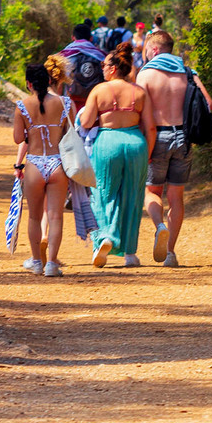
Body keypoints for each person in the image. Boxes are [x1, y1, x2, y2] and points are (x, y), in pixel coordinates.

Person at [75, 40, 157, 267]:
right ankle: (130, 254)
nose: (101, 69)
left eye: (103, 66)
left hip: (107, 142)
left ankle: (106, 237)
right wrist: (147, 153)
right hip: (135, 144)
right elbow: (150, 127)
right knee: (133, 196)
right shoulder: (139, 92)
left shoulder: (99, 90)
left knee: (102, 193)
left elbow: (86, 122)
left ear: (112, 69)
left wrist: (82, 116)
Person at [141, 32, 212, 267]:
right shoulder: (188, 72)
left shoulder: (147, 74)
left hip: (158, 136)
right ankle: (170, 252)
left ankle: (159, 227)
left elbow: (140, 112)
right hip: (184, 137)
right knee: (176, 196)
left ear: (153, 50)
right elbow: (208, 104)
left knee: (151, 191)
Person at [13, 54, 70, 276]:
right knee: (56, 215)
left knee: (35, 216)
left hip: (35, 163)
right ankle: (52, 264)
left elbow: (19, 138)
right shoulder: (65, 103)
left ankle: (36, 261)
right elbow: (69, 134)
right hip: (58, 163)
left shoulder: (22, 106)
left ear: (29, 83)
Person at [62, 20, 106, 112]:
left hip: (71, 102)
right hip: (95, 103)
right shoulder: (101, 56)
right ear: (91, 38)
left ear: (73, 38)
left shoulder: (65, 55)